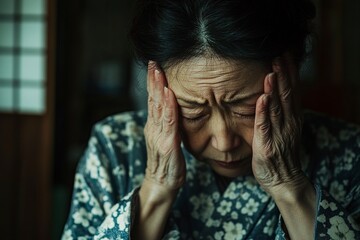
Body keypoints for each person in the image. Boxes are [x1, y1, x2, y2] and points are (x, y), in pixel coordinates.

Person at [62, 0, 360, 239]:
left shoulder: (349, 153)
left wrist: (290, 187)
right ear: (157, 86)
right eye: (193, 112)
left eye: (246, 109)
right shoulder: (115, 148)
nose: (223, 141)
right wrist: (155, 189)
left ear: (291, 78)